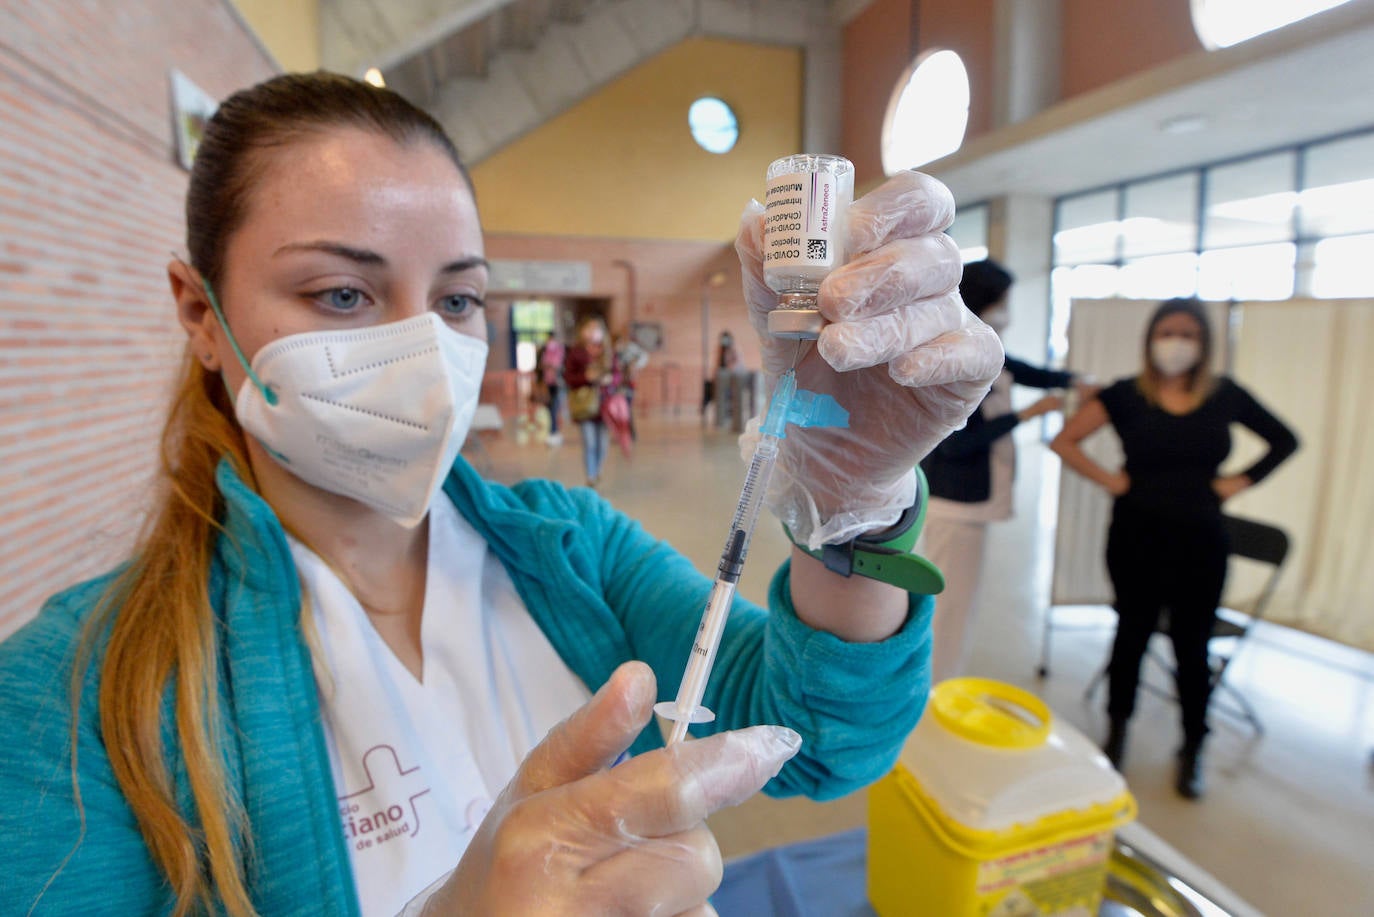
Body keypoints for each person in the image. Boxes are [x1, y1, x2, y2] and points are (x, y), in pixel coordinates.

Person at [0, 72, 1002, 915]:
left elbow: (812, 736)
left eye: (458, 298)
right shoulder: (75, 693)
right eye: (341, 293)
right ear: (200, 312)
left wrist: (857, 505)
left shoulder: (570, 547)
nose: (422, 345)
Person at [1051, 297, 1298, 799]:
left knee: (1193, 643)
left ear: (1203, 343)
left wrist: (1240, 481)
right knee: (1132, 632)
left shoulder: (1224, 395)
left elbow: (1284, 440)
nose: (1177, 342)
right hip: (1136, 533)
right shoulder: (1124, 395)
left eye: (1188, 333)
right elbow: (1065, 441)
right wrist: (1110, 481)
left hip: (1202, 536)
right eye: (1168, 332)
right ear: (1150, 340)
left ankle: (1193, 747)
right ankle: (1117, 731)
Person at [918, 258, 1093, 682]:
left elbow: (1024, 370)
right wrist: (1027, 415)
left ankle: (940, 680)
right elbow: (955, 442)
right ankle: (936, 688)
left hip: (968, 505)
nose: (1007, 310)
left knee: (958, 602)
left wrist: (1075, 380)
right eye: (1003, 301)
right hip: (954, 505)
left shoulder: (983, 347)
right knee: (951, 607)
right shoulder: (954, 356)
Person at [564, 314, 619, 486]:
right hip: (585, 405)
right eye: (589, 328)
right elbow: (568, 377)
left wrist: (610, 380)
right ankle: (590, 476)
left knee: (602, 443)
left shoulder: (608, 352)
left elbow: (617, 375)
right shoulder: (576, 352)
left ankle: (598, 469)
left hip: (604, 404)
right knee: (589, 442)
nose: (592, 332)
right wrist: (586, 378)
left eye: (596, 329)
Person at [534, 335, 566, 446]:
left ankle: (554, 431)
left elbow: (560, 365)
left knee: (555, 408)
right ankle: (554, 431)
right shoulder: (544, 351)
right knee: (550, 409)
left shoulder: (560, 350)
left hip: (557, 384)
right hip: (547, 384)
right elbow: (540, 365)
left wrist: (553, 366)